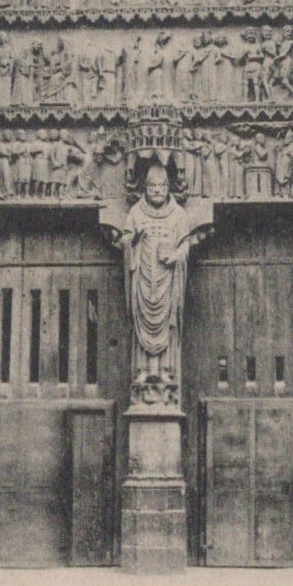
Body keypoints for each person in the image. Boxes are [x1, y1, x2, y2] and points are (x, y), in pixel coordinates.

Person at [120, 162, 191, 406]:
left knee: (168, 326)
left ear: (168, 187)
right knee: (141, 324)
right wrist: (134, 238)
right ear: (146, 188)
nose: (158, 190)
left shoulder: (178, 214)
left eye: (162, 186)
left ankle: (167, 375)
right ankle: (142, 374)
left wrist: (176, 256)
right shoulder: (136, 213)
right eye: (153, 186)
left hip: (167, 280)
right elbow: (125, 240)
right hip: (143, 280)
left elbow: (185, 244)